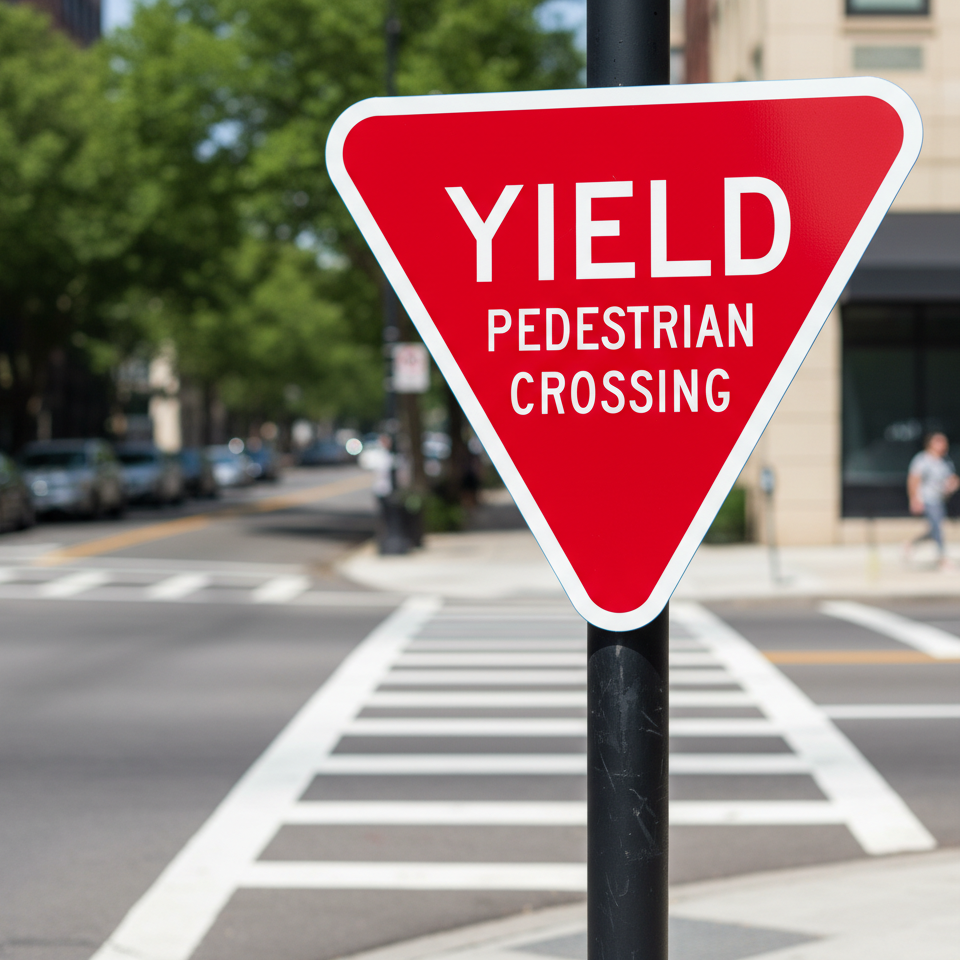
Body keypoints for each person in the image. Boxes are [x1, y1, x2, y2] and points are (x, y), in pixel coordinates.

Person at [906, 432, 960, 567]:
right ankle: (942, 557)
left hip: (939, 499)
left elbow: (950, 479)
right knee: (937, 527)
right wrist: (914, 499)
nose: (943, 445)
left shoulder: (945, 461)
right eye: (939, 441)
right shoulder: (922, 459)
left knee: (934, 529)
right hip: (927, 499)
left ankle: (912, 543)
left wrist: (952, 484)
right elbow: (913, 479)